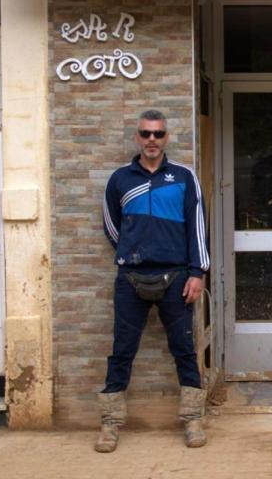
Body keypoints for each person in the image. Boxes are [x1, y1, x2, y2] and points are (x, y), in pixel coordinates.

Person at [97, 109, 210, 452]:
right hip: (130, 278)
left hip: (176, 278)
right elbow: (112, 226)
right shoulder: (120, 179)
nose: (151, 140)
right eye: (146, 134)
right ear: (137, 136)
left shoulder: (184, 177)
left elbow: (197, 227)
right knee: (121, 352)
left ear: (166, 138)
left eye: (158, 134)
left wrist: (197, 272)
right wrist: (133, 250)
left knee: (184, 350)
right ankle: (110, 424)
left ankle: (193, 419)